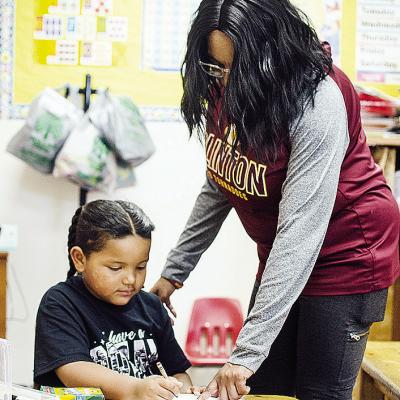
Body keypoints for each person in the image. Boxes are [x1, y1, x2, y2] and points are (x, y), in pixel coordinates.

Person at [150, 1, 400, 400]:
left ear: (274, 50)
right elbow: (220, 182)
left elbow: (300, 232)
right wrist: (174, 271)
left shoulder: (318, 100)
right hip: (282, 253)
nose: (227, 83)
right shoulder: (224, 84)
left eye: (237, 68)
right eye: (217, 68)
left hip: (347, 254)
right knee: (262, 388)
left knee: (316, 392)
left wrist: (245, 354)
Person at [34, 200, 204, 400]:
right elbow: (73, 370)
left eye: (140, 267)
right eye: (116, 268)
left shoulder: (152, 306)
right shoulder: (60, 303)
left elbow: (177, 373)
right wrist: (135, 389)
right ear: (80, 259)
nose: (131, 279)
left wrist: (182, 391)